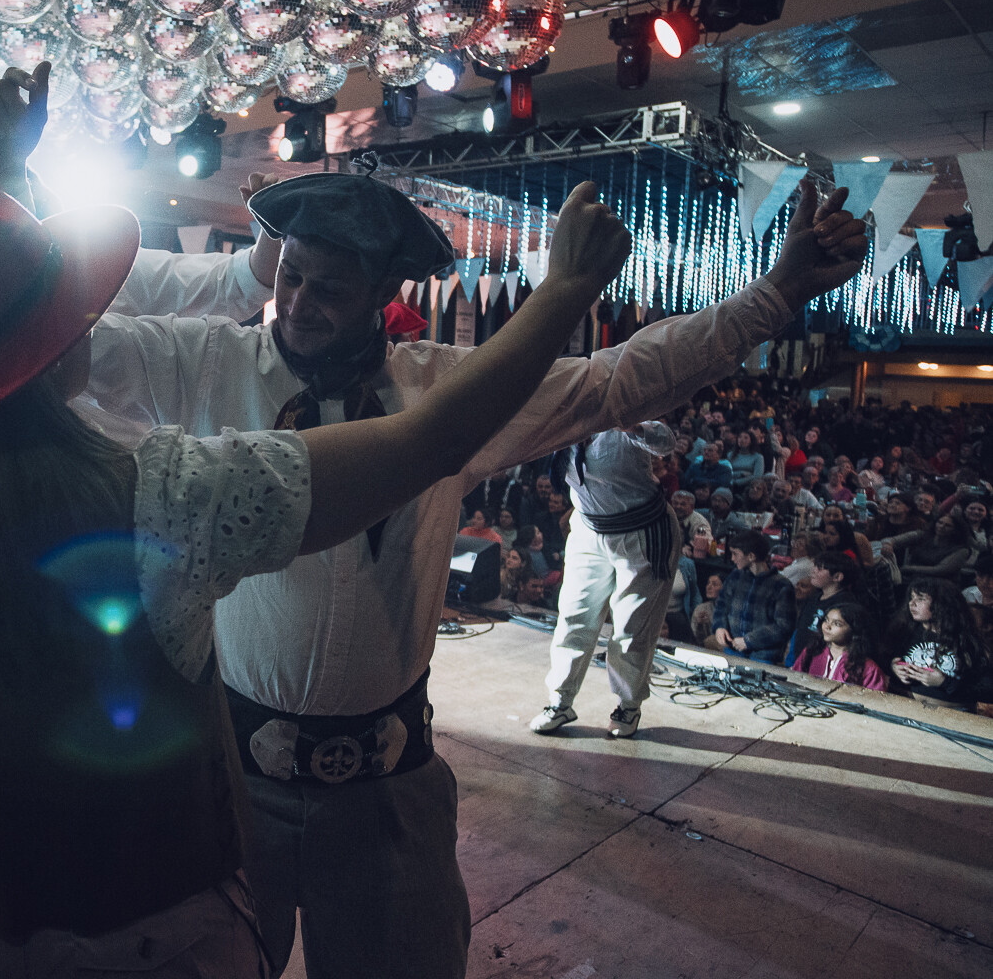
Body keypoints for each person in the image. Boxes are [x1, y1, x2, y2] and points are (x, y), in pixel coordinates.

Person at [0, 121, 634, 976]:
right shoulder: (167, 496)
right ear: (54, 351)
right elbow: (432, 443)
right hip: (150, 951)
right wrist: (561, 293)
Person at [82, 144, 869, 979]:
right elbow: (58, 343)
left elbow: (620, 380)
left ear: (388, 297)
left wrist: (777, 295)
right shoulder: (208, 363)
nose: (298, 305)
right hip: (234, 785)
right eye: (291, 278)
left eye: (331, 289)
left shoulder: (445, 392)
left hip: (390, 793)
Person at [530, 422, 680, 739]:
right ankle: (560, 702)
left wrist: (633, 426)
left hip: (641, 532)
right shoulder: (566, 421)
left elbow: (666, 442)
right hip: (588, 528)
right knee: (573, 616)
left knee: (631, 627)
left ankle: (628, 705)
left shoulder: (623, 418)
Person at [889, 579, 989, 705]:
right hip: (907, 706)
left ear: (941, 603)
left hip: (951, 714)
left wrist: (944, 682)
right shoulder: (905, 632)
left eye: (920, 599)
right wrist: (894, 667)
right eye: (911, 598)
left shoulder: (964, 640)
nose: (912, 604)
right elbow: (883, 662)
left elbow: (983, 690)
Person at [706, 530, 797, 663]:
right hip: (733, 650)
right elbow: (721, 606)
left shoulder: (781, 586)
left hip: (764, 656)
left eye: (735, 554)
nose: (732, 559)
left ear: (751, 557)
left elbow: (784, 626)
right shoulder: (735, 577)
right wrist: (719, 626)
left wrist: (750, 641)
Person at [783, 551, 862, 669]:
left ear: (837, 577)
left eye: (819, 569)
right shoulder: (814, 598)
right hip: (799, 661)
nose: (813, 571)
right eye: (814, 567)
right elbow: (800, 630)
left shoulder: (845, 605)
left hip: (820, 667)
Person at [792, 602, 886, 690]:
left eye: (837, 624)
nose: (827, 626)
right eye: (826, 620)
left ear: (854, 630)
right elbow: (794, 681)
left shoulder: (868, 668)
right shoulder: (812, 652)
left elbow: (874, 702)